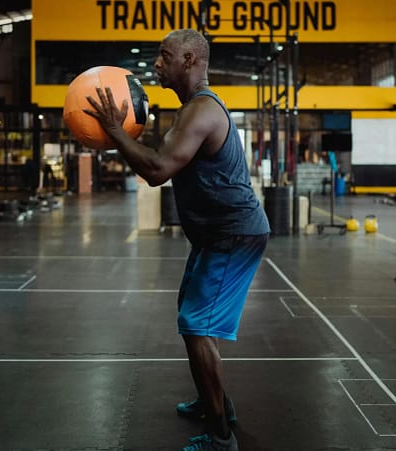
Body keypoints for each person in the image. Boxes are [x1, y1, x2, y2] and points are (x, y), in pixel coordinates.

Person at [84, 28, 270, 451]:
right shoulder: (191, 109)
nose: (155, 64)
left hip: (232, 233)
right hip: (215, 233)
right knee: (191, 317)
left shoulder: (201, 111)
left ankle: (222, 437)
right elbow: (159, 159)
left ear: (189, 60)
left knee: (196, 324)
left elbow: (155, 170)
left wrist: (114, 130)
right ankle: (215, 401)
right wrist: (122, 133)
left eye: (164, 56)